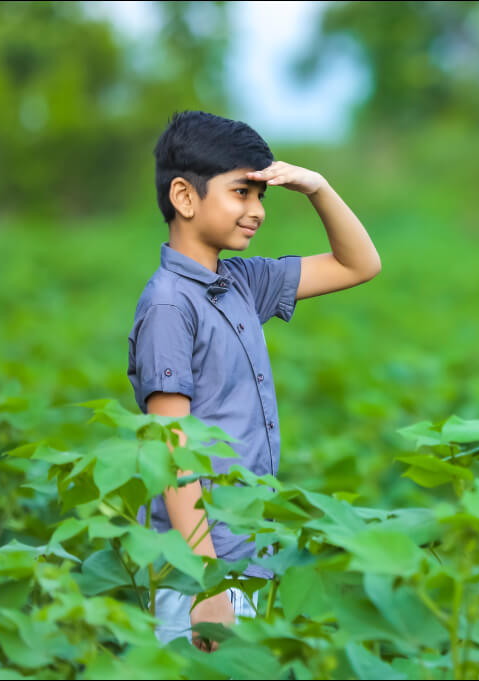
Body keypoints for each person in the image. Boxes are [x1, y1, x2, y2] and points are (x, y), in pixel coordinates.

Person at [126, 110, 381, 651]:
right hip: (199, 568)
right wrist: (204, 584)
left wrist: (319, 188)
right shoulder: (171, 305)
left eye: (261, 196)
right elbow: (171, 453)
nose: (257, 211)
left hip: (249, 554)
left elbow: (358, 264)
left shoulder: (241, 282)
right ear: (185, 196)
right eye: (242, 192)